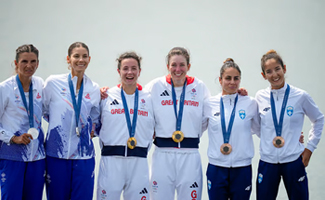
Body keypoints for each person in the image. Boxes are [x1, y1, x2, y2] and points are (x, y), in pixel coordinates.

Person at [255, 50, 324, 200]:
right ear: (263, 75)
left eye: (277, 69)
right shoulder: (260, 97)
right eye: (269, 71)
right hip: (268, 162)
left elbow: (319, 119)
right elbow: (255, 125)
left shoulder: (300, 96)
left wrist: (309, 149)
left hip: (293, 161)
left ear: (284, 69)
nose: (274, 75)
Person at [145, 47, 210, 200]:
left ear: (189, 66)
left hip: (190, 155)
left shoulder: (199, 87)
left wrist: (237, 96)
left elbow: (210, 115)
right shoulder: (155, 86)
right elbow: (133, 97)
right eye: (174, 65)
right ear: (168, 67)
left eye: (182, 65)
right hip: (162, 154)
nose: (178, 69)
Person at [43, 42, 100, 200]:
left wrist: (91, 131)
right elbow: (43, 110)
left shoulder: (94, 88)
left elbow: (95, 118)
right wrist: (60, 125)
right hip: (56, 155)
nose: (80, 60)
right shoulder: (53, 83)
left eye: (84, 56)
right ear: (68, 59)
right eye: (76, 56)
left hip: (84, 157)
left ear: (89, 59)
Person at [97, 52, 155, 200]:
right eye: (125, 68)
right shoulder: (106, 96)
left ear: (139, 71)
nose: (130, 72)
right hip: (111, 162)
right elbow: (94, 125)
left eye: (134, 68)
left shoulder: (149, 98)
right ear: (119, 71)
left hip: (139, 162)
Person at [203, 58, 260, 200]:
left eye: (236, 78)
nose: (232, 82)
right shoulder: (209, 104)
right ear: (220, 80)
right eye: (228, 78)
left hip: (242, 168)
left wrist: (294, 138)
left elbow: (262, 130)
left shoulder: (250, 103)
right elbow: (196, 129)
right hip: (216, 167)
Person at [0, 44, 45, 200]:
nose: (29, 65)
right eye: (24, 61)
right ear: (16, 63)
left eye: (33, 61)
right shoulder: (4, 89)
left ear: (38, 63)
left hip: (37, 157)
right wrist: (13, 138)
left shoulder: (40, 84)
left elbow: (52, 111)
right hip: (12, 156)